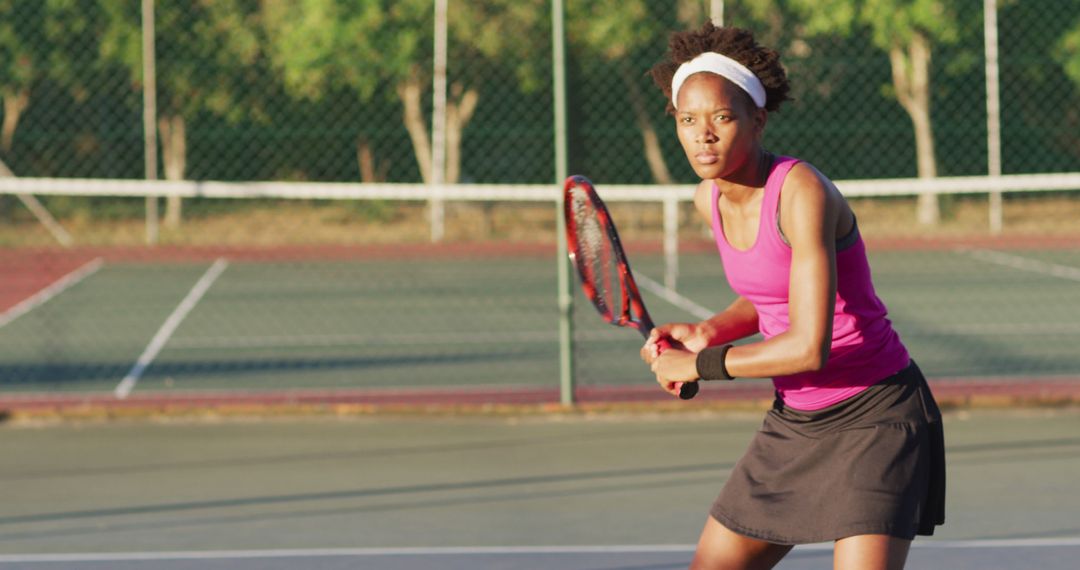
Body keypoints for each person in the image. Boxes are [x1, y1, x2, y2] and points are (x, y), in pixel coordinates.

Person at [639, 22, 945, 570]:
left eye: (721, 118)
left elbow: (808, 346)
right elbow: (772, 295)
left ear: (757, 120)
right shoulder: (706, 201)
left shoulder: (801, 191)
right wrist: (712, 329)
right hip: (795, 422)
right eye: (688, 120)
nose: (702, 135)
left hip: (876, 415)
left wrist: (700, 364)